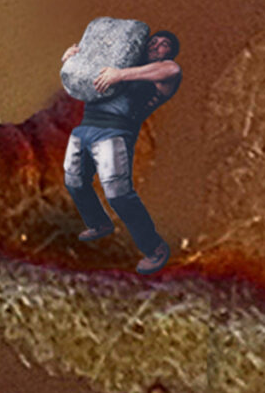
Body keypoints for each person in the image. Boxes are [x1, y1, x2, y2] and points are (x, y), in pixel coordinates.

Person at [59, 27, 182, 274]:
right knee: (74, 181)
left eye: (164, 45)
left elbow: (171, 70)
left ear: (170, 53)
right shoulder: (119, 61)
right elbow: (84, 78)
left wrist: (120, 75)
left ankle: (154, 248)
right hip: (86, 125)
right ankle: (99, 223)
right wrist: (70, 60)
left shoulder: (164, 74)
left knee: (118, 194)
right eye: (154, 41)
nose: (156, 45)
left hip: (114, 133)